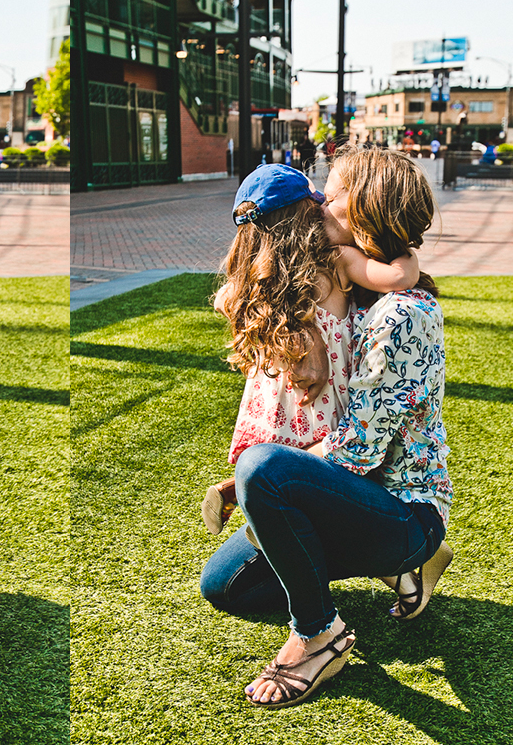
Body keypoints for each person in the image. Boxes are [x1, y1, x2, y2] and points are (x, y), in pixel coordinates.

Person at [200, 146, 453, 709]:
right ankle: (403, 570)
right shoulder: (350, 286)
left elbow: (360, 453)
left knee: (261, 468)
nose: (318, 203)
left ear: (366, 209)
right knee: (227, 585)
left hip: (399, 508)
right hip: (349, 501)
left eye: (332, 194)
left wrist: (253, 483)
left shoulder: (402, 314)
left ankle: (320, 634)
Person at [202, 164, 419, 535]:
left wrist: (291, 319)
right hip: (324, 404)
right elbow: (400, 278)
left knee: (278, 473)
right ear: (308, 212)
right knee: (326, 481)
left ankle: (249, 503)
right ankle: (268, 518)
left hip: (277, 411)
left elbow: (225, 300)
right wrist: (407, 250)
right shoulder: (337, 261)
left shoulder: (255, 286)